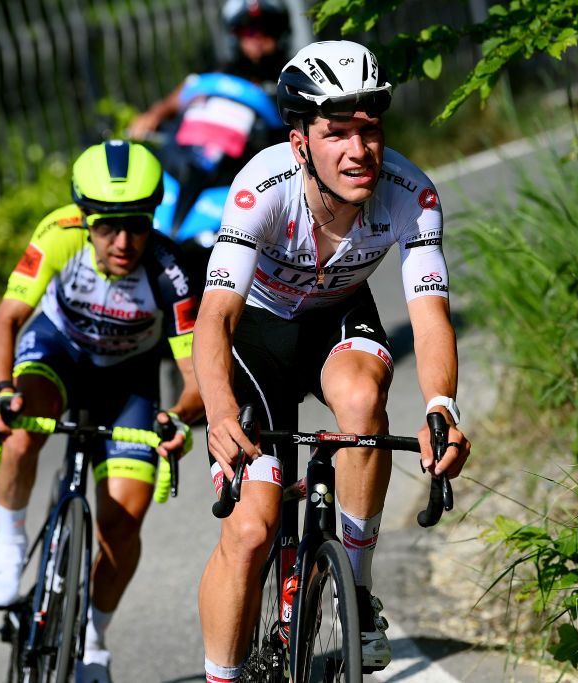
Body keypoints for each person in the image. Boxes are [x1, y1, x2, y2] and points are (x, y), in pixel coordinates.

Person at [192, 40, 472, 682]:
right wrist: (218, 411)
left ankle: (358, 591)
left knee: (363, 401)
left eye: (369, 130)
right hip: (254, 339)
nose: (358, 150)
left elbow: (429, 313)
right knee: (252, 533)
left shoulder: (410, 195)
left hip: (335, 320)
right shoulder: (260, 189)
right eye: (336, 133)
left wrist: (441, 409)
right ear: (300, 144)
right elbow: (217, 315)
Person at [0, 140, 203, 683]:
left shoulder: (170, 272)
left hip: (129, 381)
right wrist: (0, 391)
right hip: (60, 353)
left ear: (152, 219)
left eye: (137, 226)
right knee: (23, 428)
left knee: (123, 524)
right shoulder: (58, 234)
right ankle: (7, 543)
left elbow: (196, 381)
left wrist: (178, 416)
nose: (123, 242)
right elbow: (6, 321)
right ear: (84, 218)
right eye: (107, 227)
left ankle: (94, 643)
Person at [126, 0, 291, 139]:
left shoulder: (293, 77)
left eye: (266, 27)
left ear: (280, 31)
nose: (257, 37)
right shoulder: (222, 73)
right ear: (235, 35)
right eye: (247, 29)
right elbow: (189, 90)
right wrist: (154, 116)